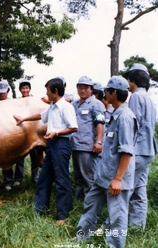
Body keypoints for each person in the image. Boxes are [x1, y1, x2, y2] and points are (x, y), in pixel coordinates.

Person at [75, 76, 138, 248]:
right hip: (103, 177)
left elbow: (126, 152)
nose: (104, 94)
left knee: (117, 217)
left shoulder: (125, 117)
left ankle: (115, 245)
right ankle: (80, 239)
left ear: (114, 93)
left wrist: (118, 179)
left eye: (107, 91)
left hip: (116, 180)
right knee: (90, 207)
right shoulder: (114, 114)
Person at [14, 77, 78, 226]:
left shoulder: (66, 107)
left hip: (61, 144)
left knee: (62, 179)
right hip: (51, 145)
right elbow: (41, 116)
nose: (46, 93)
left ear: (55, 91)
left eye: (48, 90)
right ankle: (40, 209)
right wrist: (23, 119)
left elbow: (74, 127)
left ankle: (63, 214)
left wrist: (57, 133)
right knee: (44, 178)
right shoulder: (53, 106)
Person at [124, 63, 158, 230]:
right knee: (139, 191)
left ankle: (115, 226)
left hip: (137, 151)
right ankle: (137, 227)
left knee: (125, 189)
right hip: (148, 150)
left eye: (128, 79)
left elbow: (132, 125)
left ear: (133, 80)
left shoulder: (136, 97)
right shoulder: (150, 99)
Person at [71, 76, 105, 201]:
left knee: (88, 177)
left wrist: (99, 142)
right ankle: (79, 203)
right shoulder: (74, 104)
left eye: (86, 88)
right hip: (75, 145)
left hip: (88, 146)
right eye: (80, 87)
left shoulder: (96, 104)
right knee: (78, 177)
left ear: (91, 89)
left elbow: (100, 124)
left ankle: (91, 205)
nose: (82, 90)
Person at [13, 80, 40, 185]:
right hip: (21, 132)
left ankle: (35, 178)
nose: (25, 90)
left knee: (35, 157)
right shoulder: (18, 102)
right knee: (20, 158)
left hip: (34, 132)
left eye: (27, 88)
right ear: (20, 90)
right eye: (23, 88)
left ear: (30, 89)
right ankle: (18, 179)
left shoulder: (35, 101)